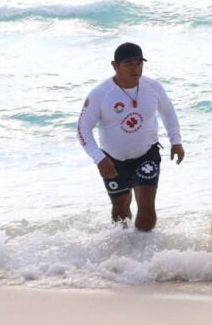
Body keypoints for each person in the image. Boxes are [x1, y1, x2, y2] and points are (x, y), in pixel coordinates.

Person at [77, 42, 185, 232]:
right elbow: (82, 129)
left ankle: (144, 246)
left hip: (147, 154)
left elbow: (167, 111)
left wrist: (176, 141)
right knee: (121, 205)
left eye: (139, 64)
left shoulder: (153, 87)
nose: (136, 69)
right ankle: (124, 244)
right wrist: (99, 158)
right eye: (129, 64)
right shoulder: (100, 94)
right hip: (112, 159)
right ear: (115, 65)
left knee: (147, 204)